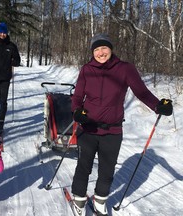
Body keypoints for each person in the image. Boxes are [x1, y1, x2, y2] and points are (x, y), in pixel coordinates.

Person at [70, 33, 173, 216]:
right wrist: (77, 111)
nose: (101, 53)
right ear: (92, 52)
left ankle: (100, 200)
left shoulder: (125, 69)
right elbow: (77, 96)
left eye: (104, 48)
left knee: (107, 169)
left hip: (113, 130)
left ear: (111, 48)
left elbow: (141, 92)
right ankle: (79, 200)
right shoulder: (86, 69)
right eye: (96, 49)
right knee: (84, 165)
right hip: (88, 128)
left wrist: (157, 106)